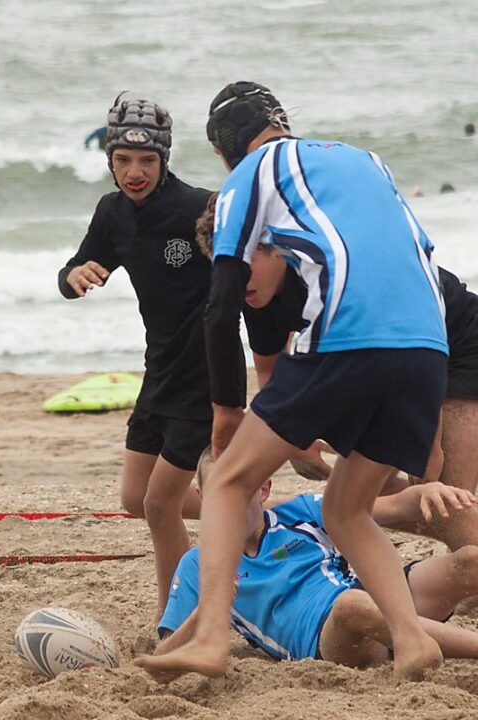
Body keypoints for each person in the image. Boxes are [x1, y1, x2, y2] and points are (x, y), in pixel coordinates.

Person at [136, 81, 448, 681]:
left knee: (228, 480)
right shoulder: (364, 160)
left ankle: (209, 637)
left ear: (226, 153)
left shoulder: (249, 174)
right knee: (346, 508)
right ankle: (413, 640)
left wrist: (227, 411)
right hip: (428, 345)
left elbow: (221, 302)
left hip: (350, 331)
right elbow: (418, 250)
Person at [193, 203, 478, 549]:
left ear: (277, 247)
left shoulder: (332, 271)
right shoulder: (251, 291)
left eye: (245, 264)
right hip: (380, 359)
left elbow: (417, 345)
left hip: (454, 340)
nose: (235, 280)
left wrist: (429, 442)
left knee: (445, 493)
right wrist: (294, 443)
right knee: (364, 494)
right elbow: (270, 374)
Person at [57, 95, 214, 617]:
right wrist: (73, 277)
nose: (134, 172)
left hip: (204, 373)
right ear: (110, 159)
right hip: (159, 371)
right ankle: (251, 511)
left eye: (147, 160)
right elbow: (78, 265)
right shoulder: (113, 213)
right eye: (123, 160)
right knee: (135, 498)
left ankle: (178, 615)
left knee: (159, 504)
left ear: (164, 159)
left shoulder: (200, 208)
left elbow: (255, 278)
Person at [154, 454, 478, 671]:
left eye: (241, 492)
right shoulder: (197, 564)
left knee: (469, 561)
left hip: (367, 599)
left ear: (264, 489)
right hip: (324, 640)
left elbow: (393, 506)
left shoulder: (300, 512)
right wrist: (205, 611)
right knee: (352, 606)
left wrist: (425, 492)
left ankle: (409, 638)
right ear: (201, 496)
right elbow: (161, 662)